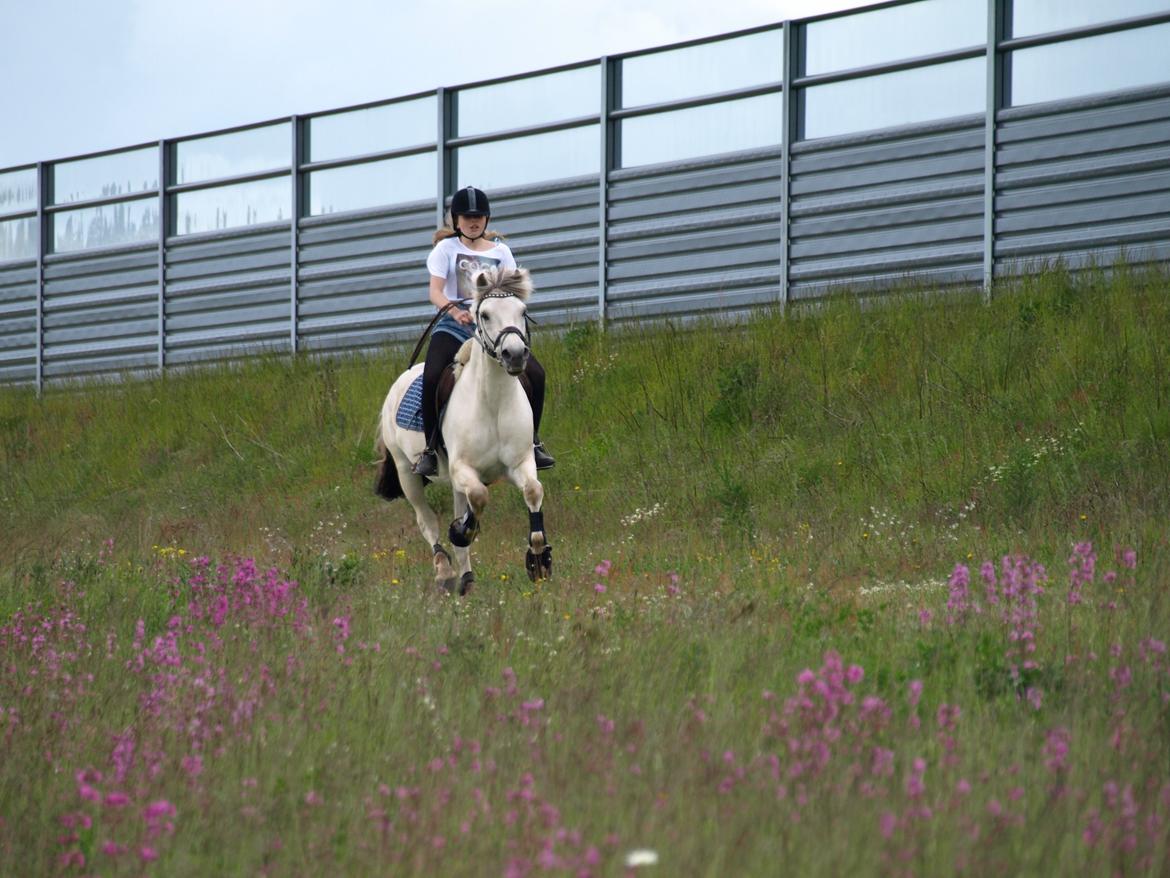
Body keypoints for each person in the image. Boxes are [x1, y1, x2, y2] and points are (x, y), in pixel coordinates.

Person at [411, 185, 555, 477]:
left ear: (486, 220)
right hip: (455, 326)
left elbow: (514, 293)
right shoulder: (445, 249)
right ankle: (429, 448)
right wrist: (454, 311)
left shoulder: (501, 251)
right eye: (466, 216)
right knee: (432, 374)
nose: (473, 221)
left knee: (536, 374)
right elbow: (435, 292)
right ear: (457, 219)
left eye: (478, 217)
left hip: (494, 328)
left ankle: (534, 441)